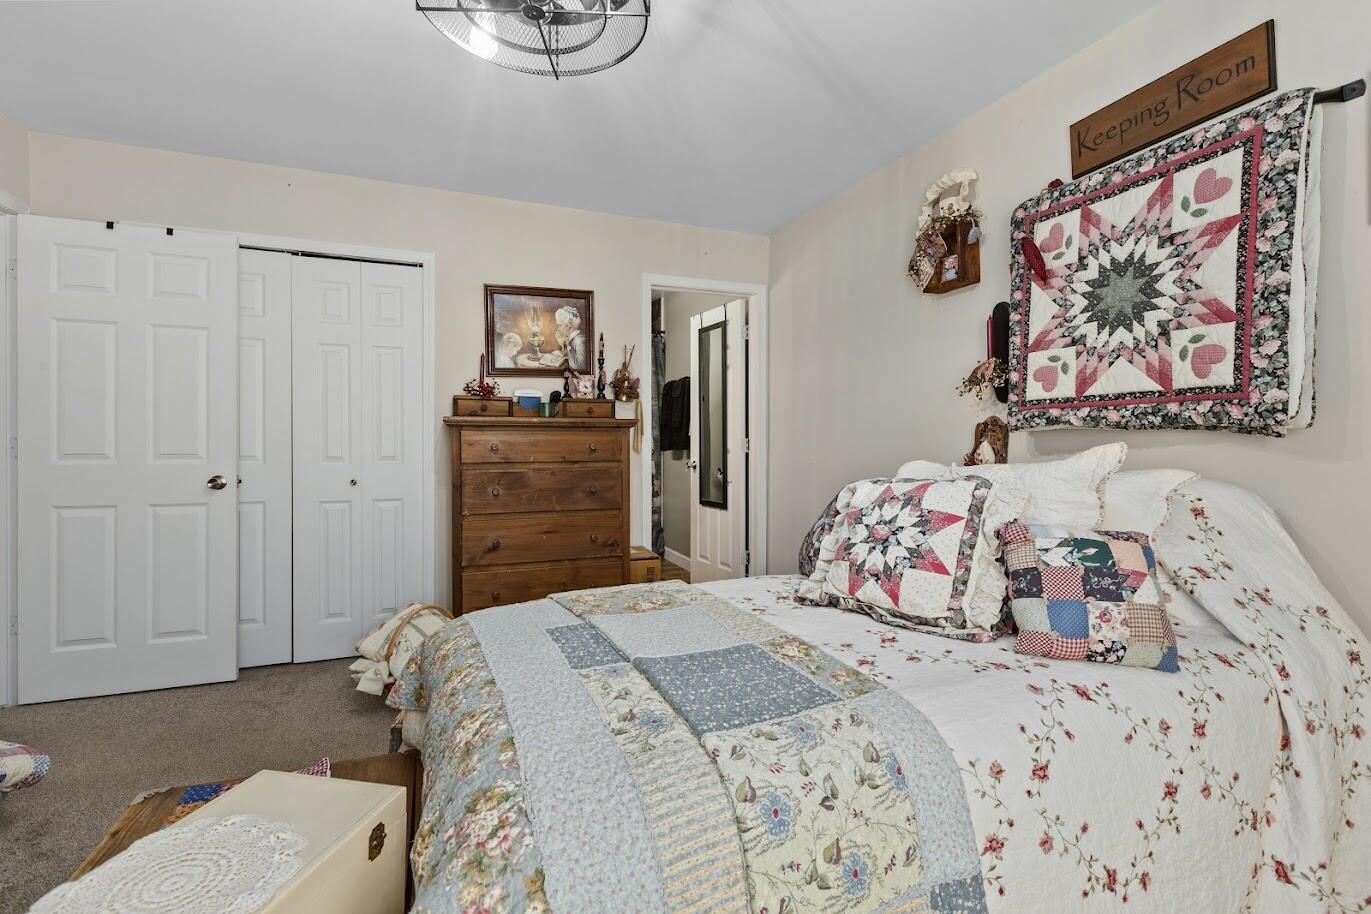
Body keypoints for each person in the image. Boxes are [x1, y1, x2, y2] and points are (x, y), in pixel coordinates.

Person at [554, 306, 586, 371]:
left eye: (560, 325)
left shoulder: (579, 340)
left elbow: (577, 366)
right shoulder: (571, 338)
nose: (558, 329)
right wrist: (563, 345)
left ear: (569, 323)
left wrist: (566, 345)